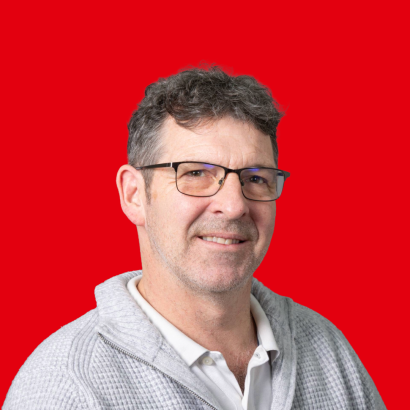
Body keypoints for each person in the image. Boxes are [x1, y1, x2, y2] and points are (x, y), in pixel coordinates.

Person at [4, 66, 386, 410]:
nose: (234, 206)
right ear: (134, 195)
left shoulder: (331, 354)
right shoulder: (65, 389)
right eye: (196, 174)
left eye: (256, 178)